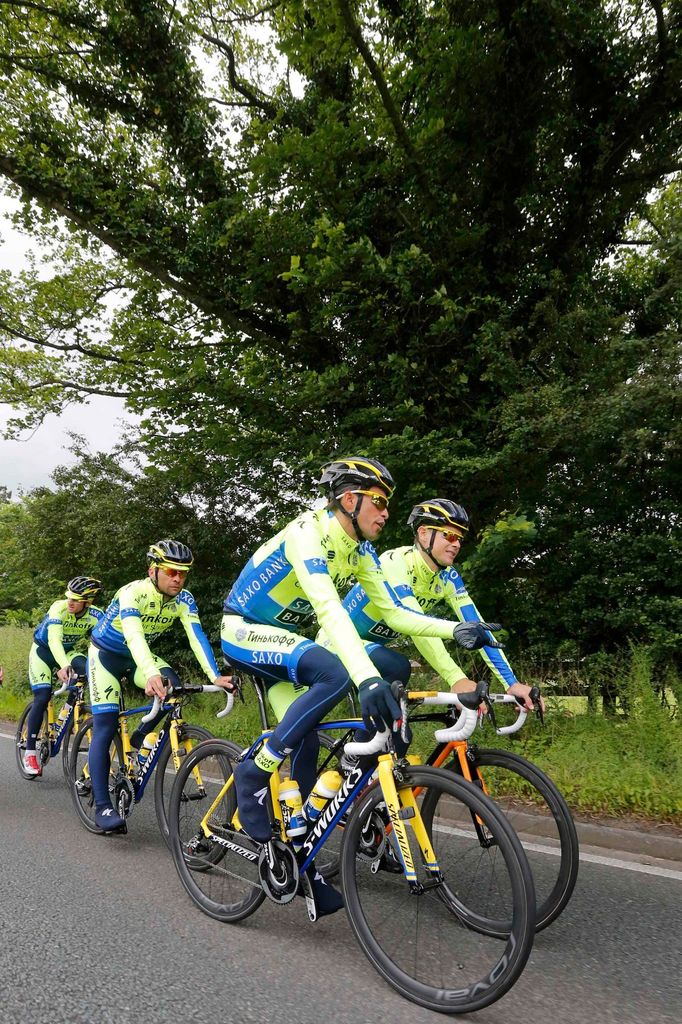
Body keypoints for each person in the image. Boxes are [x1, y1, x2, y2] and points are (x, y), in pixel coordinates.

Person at [221, 457, 497, 915]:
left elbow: (392, 615)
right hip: (244, 630)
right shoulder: (307, 533)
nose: (386, 513)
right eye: (379, 502)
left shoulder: (362, 552)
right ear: (349, 500)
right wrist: (367, 678)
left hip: (284, 643)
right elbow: (329, 609)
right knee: (332, 672)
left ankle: (297, 854)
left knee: (306, 740)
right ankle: (254, 771)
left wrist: (454, 630)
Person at [341, 498, 544, 710]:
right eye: (449, 535)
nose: (456, 543)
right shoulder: (395, 562)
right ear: (423, 533)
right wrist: (456, 677)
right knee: (398, 667)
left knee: (399, 729)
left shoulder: (448, 577)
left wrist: (511, 683)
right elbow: (416, 626)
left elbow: (477, 626)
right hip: (339, 642)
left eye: (459, 538)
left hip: (374, 648)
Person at [86, 539, 232, 833]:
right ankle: (102, 805)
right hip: (105, 656)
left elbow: (196, 636)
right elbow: (134, 634)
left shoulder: (184, 599)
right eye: (170, 572)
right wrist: (150, 672)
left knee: (173, 689)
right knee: (105, 724)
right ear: (153, 570)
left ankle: (141, 733)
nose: (177, 578)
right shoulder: (132, 593)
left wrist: (214, 676)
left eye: (183, 573)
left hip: (138, 658)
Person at [23, 576, 104, 777]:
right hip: (43, 651)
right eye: (69, 596)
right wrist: (63, 666)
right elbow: (54, 639)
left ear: (88, 601)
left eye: (76, 599)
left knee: (86, 671)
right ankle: (30, 752)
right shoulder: (58, 608)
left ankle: (65, 714)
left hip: (67, 651)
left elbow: (102, 643)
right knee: (42, 696)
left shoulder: (96, 615)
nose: (70, 601)